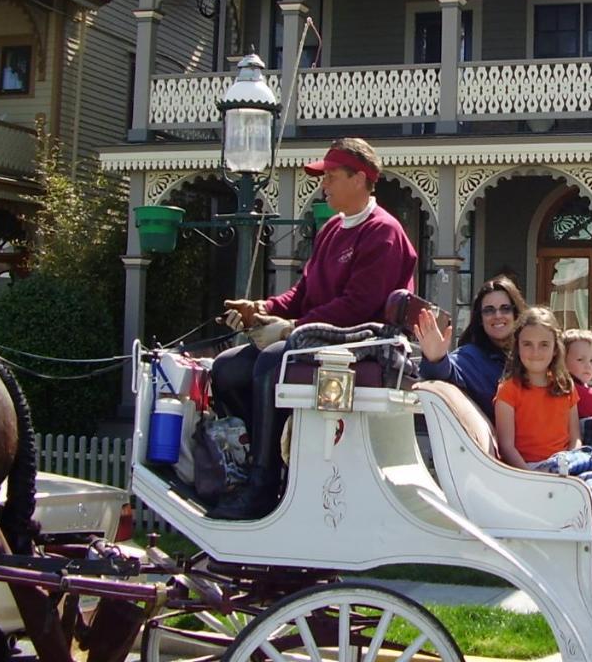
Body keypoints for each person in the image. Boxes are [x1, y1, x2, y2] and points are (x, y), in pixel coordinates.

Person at [210, 137, 417, 519]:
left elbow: (358, 307)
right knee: (225, 369)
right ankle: (262, 462)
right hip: (314, 337)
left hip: (362, 342)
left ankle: (264, 485)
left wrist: (290, 329)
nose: (325, 185)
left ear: (360, 179)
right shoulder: (332, 230)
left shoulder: (383, 232)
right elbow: (303, 292)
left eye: (332, 176)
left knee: (272, 363)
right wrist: (262, 309)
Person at [415, 276, 527, 420]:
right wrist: (436, 358)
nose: (497, 315)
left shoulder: (531, 352)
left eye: (505, 309)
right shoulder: (472, 357)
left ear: (516, 313)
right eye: (489, 310)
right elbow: (448, 371)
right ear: (480, 318)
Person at [493, 307, 581, 468]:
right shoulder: (508, 390)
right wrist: (532, 477)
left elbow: (576, 438)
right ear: (517, 347)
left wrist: (570, 464)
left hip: (565, 466)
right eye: (527, 344)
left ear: (555, 349)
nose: (535, 352)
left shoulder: (565, 385)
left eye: (544, 345)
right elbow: (506, 447)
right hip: (526, 469)